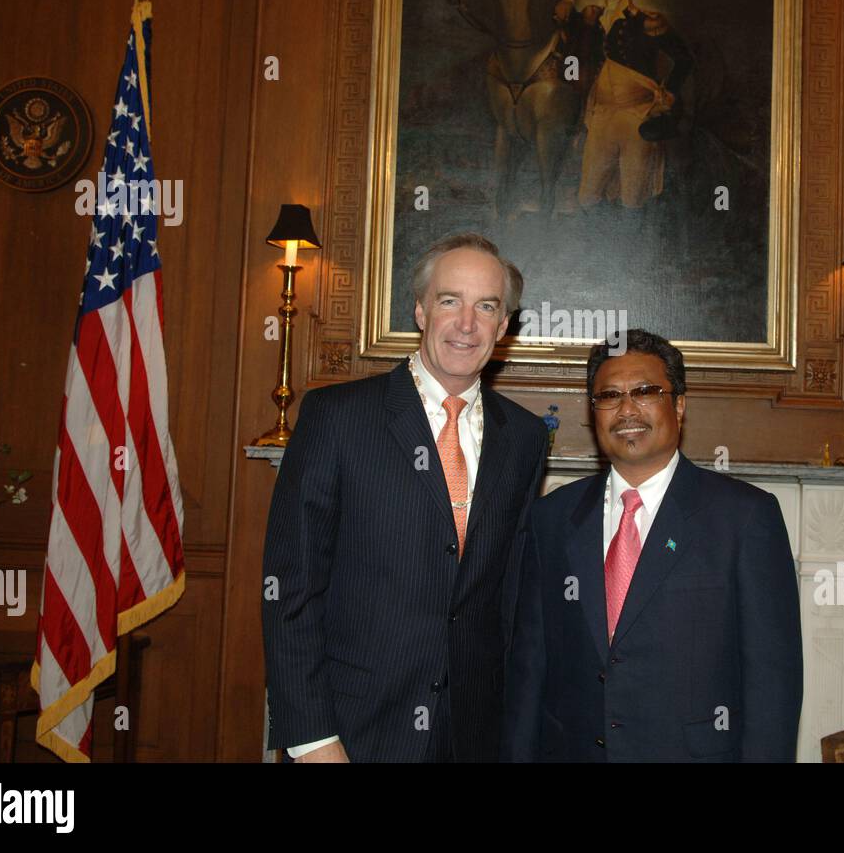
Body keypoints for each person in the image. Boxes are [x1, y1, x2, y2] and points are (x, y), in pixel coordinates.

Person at [262, 233, 548, 762]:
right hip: (351, 734)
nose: (467, 324)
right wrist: (312, 741)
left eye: (486, 306)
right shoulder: (338, 417)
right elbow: (290, 587)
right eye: (449, 301)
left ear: (503, 326)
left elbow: (508, 600)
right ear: (419, 311)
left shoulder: (526, 438)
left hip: (473, 737)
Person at [503, 329, 802, 761]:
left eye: (645, 391)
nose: (626, 409)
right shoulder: (551, 518)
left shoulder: (745, 518)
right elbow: (529, 670)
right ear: (593, 413)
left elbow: (773, 683)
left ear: (678, 404)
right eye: (609, 396)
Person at [555, 0, 693, 210]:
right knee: (587, 195)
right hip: (602, 114)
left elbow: (684, 59)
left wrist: (670, 93)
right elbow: (571, 43)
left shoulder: (646, 21)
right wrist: (568, 2)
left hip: (636, 115)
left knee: (633, 195)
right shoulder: (593, 18)